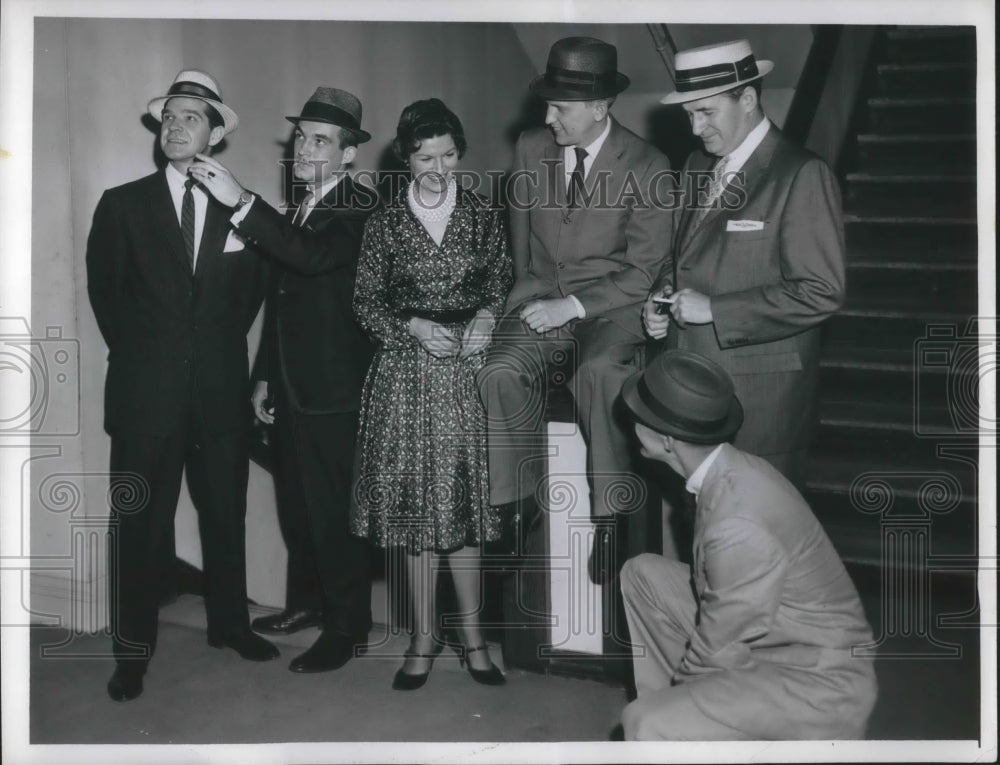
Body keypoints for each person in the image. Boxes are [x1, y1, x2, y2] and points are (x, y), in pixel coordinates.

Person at [86, 69, 276, 702]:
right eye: (169, 116)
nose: (174, 126)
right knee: (139, 525)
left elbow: (252, 297)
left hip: (220, 394)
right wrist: (152, 358)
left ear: (216, 134)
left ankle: (231, 626)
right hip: (146, 397)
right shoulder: (122, 204)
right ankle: (132, 654)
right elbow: (107, 297)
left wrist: (216, 354)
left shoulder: (242, 208)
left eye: (191, 117)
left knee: (226, 516)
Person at [189, 87, 377, 672]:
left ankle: (348, 627)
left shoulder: (357, 206)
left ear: (348, 156)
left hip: (334, 391)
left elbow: (311, 258)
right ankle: (308, 604)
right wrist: (263, 377)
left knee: (332, 512)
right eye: (301, 135)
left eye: (321, 140)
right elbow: (283, 299)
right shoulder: (301, 205)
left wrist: (241, 201)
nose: (304, 147)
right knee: (297, 506)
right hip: (292, 386)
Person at [478, 36, 673, 583]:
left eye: (560, 107)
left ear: (599, 107)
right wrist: (514, 301)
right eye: (547, 104)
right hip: (541, 299)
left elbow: (643, 271)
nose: (549, 117)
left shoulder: (649, 165)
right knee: (497, 372)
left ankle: (608, 520)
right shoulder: (529, 147)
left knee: (600, 374)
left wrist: (574, 306)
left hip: (611, 308)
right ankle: (517, 505)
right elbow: (516, 236)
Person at [617, 349, 877, 740]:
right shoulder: (727, 467)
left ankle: (671, 729)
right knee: (643, 576)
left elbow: (719, 648)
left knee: (644, 722)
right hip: (773, 636)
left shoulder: (736, 521)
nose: (630, 419)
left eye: (639, 416)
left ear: (668, 440)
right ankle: (681, 725)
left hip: (818, 681)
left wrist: (673, 701)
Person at [350, 98, 511, 690]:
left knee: (465, 511)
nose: (438, 167)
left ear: (460, 154)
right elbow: (365, 301)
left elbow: (501, 282)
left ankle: (471, 637)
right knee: (417, 518)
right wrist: (411, 327)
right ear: (406, 158)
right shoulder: (384, 222)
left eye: (448, 155)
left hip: (467, 374)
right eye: (426, 157)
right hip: (405, 376)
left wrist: (488, 319)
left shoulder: (481, 215)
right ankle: (422, 636)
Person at [643, 39, 846, 488]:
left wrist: (716, 309)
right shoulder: (697, 166)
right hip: (690, 390)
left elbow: (821, 291)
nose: (695, 129)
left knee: (759, 543)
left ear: (749, 99)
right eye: (689, 114)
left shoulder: (800, 174)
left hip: (761, 403)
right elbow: (682, 257)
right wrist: (659, 296)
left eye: (707, 112)